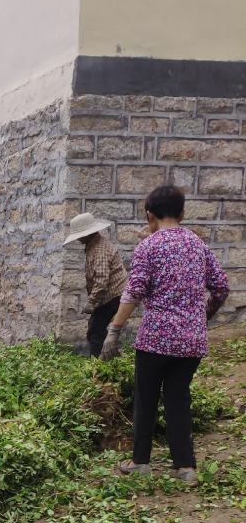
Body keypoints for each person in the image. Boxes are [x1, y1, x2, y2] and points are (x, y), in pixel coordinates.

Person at [100, 185, 229, 486]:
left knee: (146, 400)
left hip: (155, 340)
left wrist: (113, 330)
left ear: (149, 214)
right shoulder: (199, 246)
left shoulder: (149, 247)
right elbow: (221, 287)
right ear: (182, 213)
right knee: (178, 399)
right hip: (191, 342)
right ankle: (186, 468)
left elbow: (133, 292)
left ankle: (140, 462)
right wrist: (202, 316)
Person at [63, 212, 128, 357]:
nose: (78, 238)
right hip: (110, 296)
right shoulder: (94, 245)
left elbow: (101, 280)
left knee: (95, 333)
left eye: (80, 235)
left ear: (87, 234)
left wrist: (91, 302)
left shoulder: (100, 250)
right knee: (97, 330)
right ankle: (110, 359)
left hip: (114, 296)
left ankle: (98, 367)